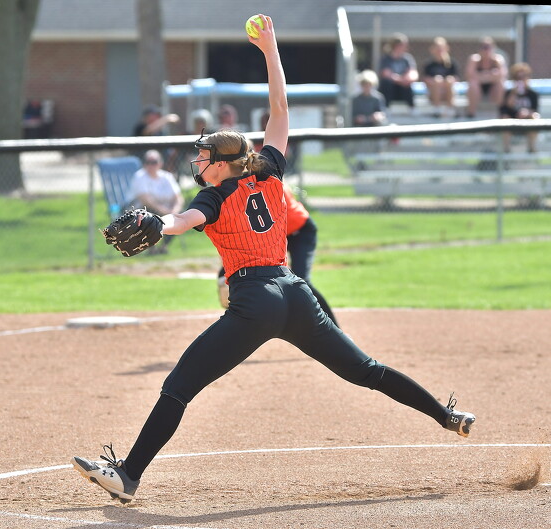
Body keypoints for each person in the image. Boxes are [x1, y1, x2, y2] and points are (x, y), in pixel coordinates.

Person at [72, 15, 476, 504]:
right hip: (295, 293)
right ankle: (446, 416)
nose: (197, 161)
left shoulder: (214, 196)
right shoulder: (269, 172)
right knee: (366, 369)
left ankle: (129, 476)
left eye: (204, 156)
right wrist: (270, 49)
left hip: (254, 301)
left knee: (179, 385)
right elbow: (280, 108)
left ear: (222, 163)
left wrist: (160, 224)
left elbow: (182, 221)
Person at [218, 183, 339, 327]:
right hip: (276, 234)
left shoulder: (269, 183)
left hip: (300, 230)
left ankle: (334, 328)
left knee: (302, 281)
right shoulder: (242, 188)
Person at [127, 149, 184, 253]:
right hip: (144, 210)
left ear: (160, 163)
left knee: (178, 216)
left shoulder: (167, 176)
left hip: (166, 210)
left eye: (154, 162)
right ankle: (151, 247)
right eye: (148, 162)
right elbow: (145, 200)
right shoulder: (140, 176)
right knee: (149, 214)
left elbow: (178, 198)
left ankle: (164, 247)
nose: (151, 165)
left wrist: (175, 211)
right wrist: (164, 211)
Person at [499, 62, 540, 154]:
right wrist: (513, 95)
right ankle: (506, 150)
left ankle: (531, 149)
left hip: (527, 124)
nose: (521, 80)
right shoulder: (508, 93)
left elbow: (535, 110)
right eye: (518, 78)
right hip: (512, 123)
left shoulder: (532, 94)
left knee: (535, 117)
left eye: (524, 77)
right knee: (504, 119)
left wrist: (527, 113)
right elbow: (503, 111)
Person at [465, 37, 507, 118]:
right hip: (478, 89)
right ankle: (471, 113)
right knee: (473, 84)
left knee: (500, 84)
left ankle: (500, 112)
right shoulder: (475, 59)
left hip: (492, 89)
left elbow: (502, 75)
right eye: (484, 47)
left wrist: (481, 76)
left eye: (488, 47)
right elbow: (469, 75)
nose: (486, 50)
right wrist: (491, 75)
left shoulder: (498, 60)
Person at [378, 33, 419, 112]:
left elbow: (413, 74)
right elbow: (386, 74)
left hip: (403, 89)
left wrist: (406, 79)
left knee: (408, 85)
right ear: (396, 45)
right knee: (386, 83)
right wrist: (401, 80)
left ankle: (412, 109)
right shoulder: (386, 59)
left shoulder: (407, 59)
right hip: (391, 89)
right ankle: (386, 108)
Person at [422, 37, 460, 118]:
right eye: (437, 48)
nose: (439, 51)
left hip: (448, 92)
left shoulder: (451, 63)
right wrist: (437, 82)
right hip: (433, 93)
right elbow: (425, 79)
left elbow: (456, 78)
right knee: (437, 80)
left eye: (441, 48)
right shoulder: (429, 64)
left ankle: (450, 109)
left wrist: (446, 82)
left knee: (449, 81)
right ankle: (437, 110)